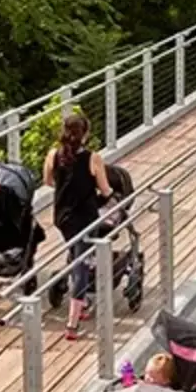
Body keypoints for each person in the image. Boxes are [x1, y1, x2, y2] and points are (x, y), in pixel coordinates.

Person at [42, 115, 114, 339]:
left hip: (63, 216)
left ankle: (79, 300)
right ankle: (73, 323)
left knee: (75, 253)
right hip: (85, 218)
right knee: (81, 265)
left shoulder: (54, 155)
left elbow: (47, 181)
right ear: (86, 134)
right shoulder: (93, 159)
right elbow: (105, 190)